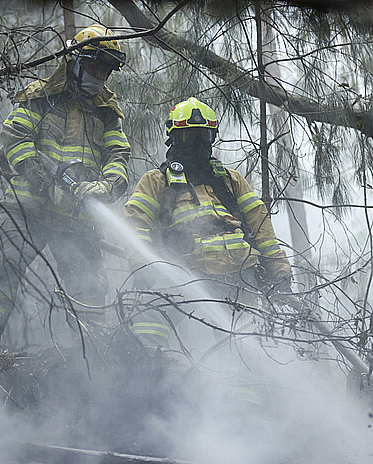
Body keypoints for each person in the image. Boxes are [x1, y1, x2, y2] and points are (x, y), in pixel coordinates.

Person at [0, 25, 131, 366]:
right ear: (74, 61)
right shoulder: (40, 96)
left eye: (105, 70)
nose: (99, 75)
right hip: (27, 207)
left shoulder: (108, 112)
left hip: (78, 217)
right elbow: (14, 138)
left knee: (88, 287)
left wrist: (104, 187)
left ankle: (93, 363)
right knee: (1, 270)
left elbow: (119, 158)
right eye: (94, 66)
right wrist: (42, 176)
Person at [123, 97, 291, 351]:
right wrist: (141, 266)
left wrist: (278, 269)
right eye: (190, 138)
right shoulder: (157, 181)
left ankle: (244, 391)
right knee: (150, 321)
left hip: (238, 277)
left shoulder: (230, 181)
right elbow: (136, 223)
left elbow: (260, 225)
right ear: (175, 139)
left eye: (205, 137)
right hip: (183, 273)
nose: (199, 145)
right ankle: (151, 376)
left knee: (242, 351)